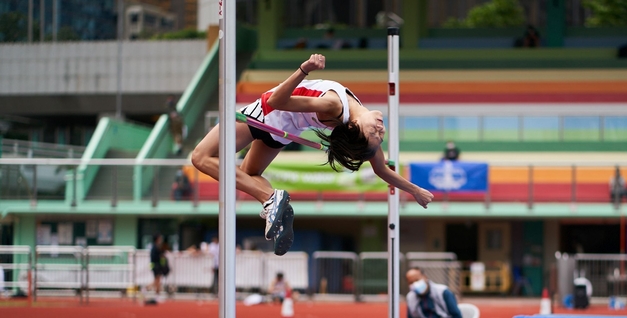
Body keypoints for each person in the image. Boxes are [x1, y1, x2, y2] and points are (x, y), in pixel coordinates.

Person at [191, 53, 434, 257]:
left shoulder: (333, 105)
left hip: (264, 118)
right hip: (283, 132)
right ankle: (272, 203)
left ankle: (269, 199)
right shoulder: (354, 124)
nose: (381, 129)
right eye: (379, 133)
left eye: (375, 133)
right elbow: (381, 170)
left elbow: (275, 101)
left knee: (201, 157)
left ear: (354, 128)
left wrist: (303, 69)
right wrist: (415, 190)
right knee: (248, 175)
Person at [147, 233, 170, 305]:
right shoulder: (155, 247)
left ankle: (156, 296)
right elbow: (155, 257)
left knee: (157, 281)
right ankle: (146, 290)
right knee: (157, 281)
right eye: (159, 238)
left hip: (156, 266)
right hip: (156, 266)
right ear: (157, 239)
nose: (161, 240)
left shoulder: (156, 247)